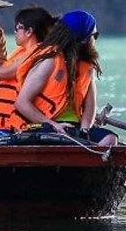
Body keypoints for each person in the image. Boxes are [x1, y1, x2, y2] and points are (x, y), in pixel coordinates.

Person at [15, 9, 115, 145]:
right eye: (94, 35)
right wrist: (52, 124)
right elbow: (22, 103)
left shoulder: (86, 67)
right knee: (63, 138)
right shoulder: (49, 61)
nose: (95, 39)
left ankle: (88, 163)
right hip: (44, 127)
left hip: (74, 129)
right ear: (83, 37)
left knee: (110, 139)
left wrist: (84, 131)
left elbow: (89, 109)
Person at [0, 5, 56, 135]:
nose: (15, 32)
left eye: (18, 28)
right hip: (0, 124)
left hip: (9, 125)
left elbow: (0, 73)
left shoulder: (35, 53)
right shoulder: (23, 52)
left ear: (29, 32)